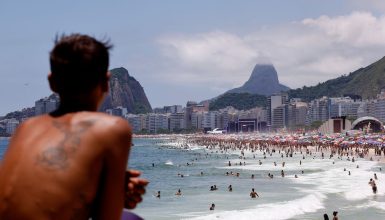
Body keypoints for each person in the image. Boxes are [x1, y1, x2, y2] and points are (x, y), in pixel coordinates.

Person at [0, 34, 147, 220]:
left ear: (51, 81)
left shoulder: (25, 128)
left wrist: (104, 189)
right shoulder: (112, 128)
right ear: (105, 82)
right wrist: (114, 194)